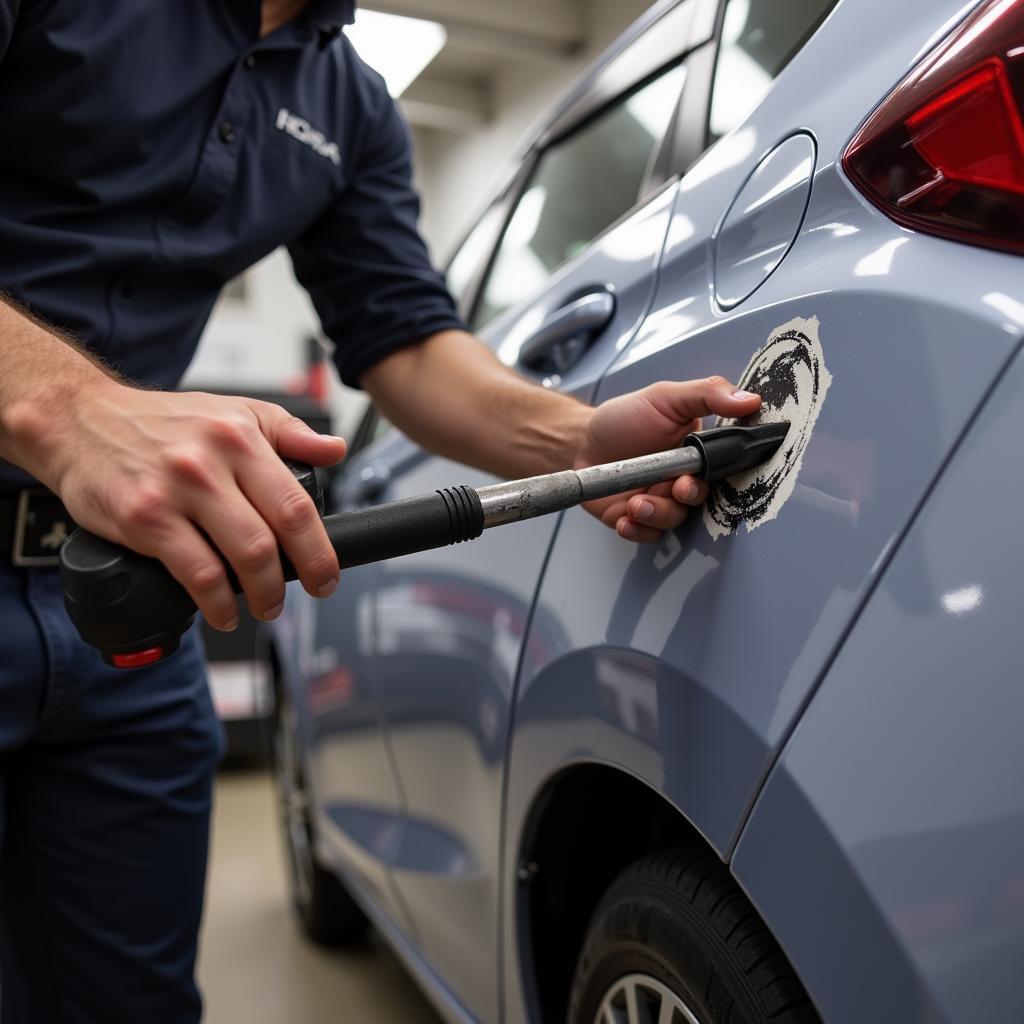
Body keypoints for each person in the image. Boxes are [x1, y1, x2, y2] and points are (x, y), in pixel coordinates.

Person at [0, 1, 762, 1020]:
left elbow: (403, 339)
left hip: (130, 619)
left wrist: (574, 434)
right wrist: (67, 405)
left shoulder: (346, 101)